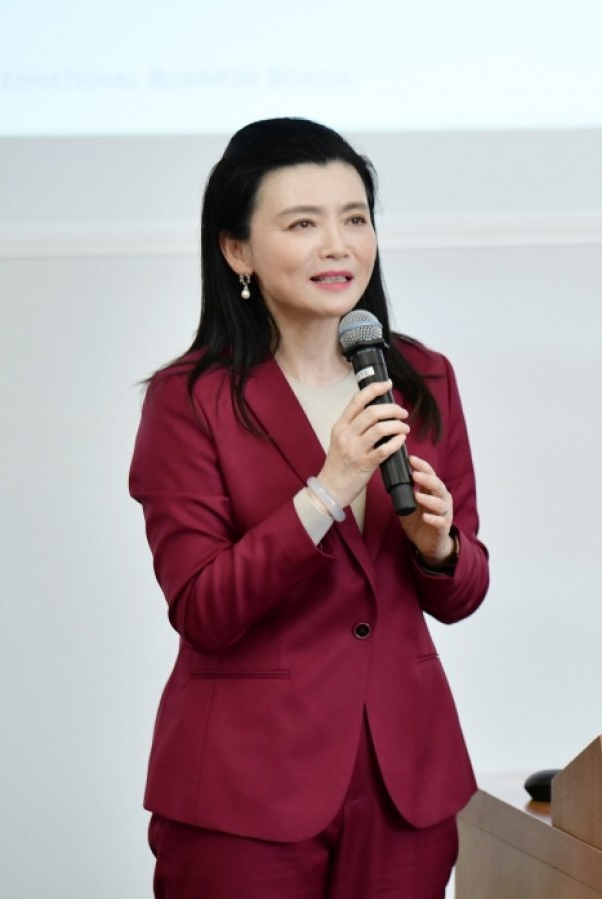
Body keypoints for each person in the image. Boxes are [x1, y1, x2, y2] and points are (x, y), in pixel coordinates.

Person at [128, 117, 490, 899]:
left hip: (403, 781)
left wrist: (437, 545)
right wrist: (326, 492)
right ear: (237, 250)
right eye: (302, 224)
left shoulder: (423, 377)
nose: (338, 246)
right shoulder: (188, 399)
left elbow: (462, 592)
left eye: (354, 219)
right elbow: (203, 608)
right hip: (246, 789)